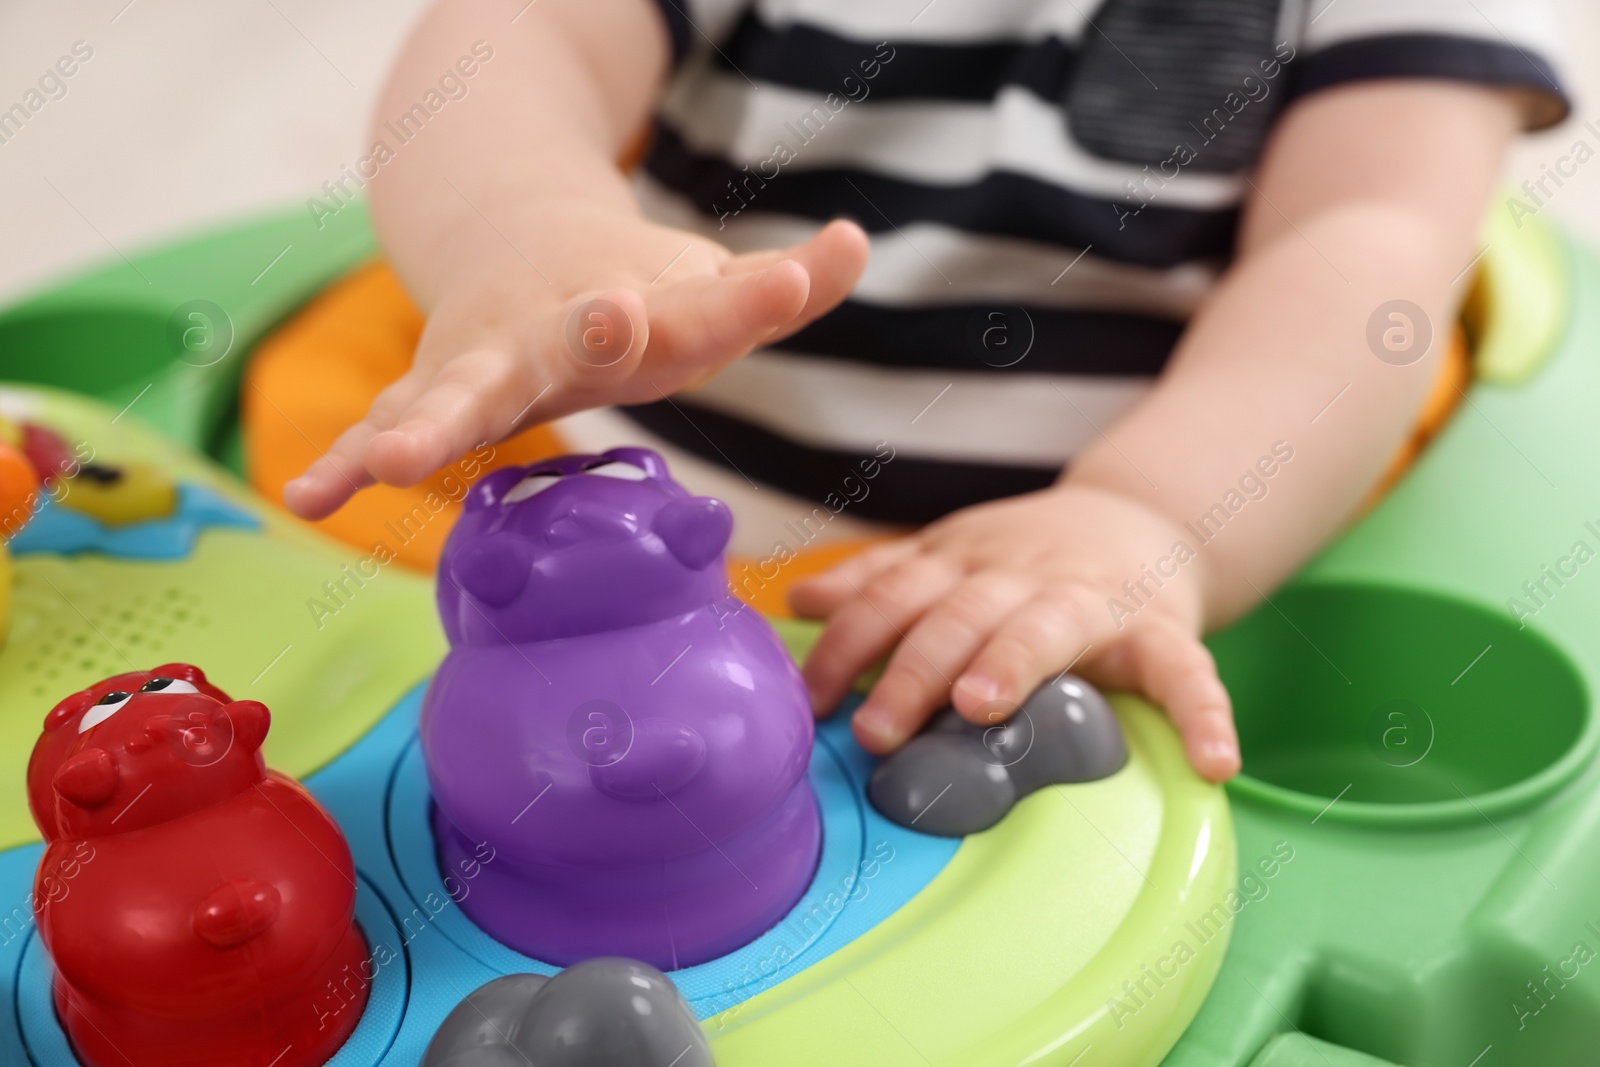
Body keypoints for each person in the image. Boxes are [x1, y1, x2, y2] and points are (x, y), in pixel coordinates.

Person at [282, 0, 1571, 782]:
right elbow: (520, 41)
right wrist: (521, 225)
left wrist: (1154, 519)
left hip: (1108, 540)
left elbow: (1370, 240)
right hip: (627, 483)